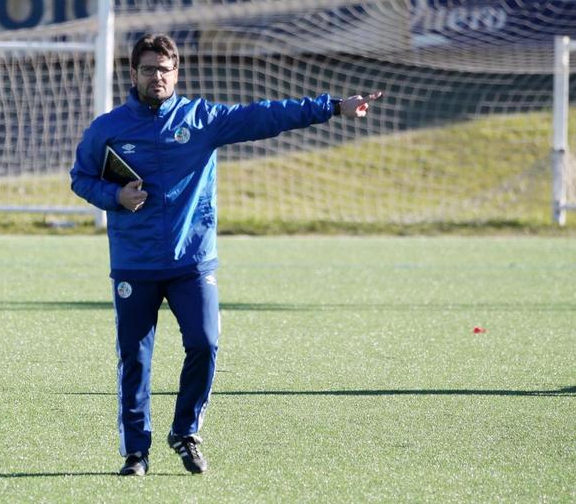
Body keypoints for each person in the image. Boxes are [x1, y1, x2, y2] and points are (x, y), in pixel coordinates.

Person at [70, 33, 381, 476]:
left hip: (191, 262)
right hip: (134, 264)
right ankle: (136, 453)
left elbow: (266, 116)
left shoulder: (202, 119)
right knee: (135, 360)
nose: (156, 76)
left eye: (164, 69)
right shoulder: (108, 128)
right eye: (147, 69)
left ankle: (185, 431)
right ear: (133, 74)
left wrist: (332, 106)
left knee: (205, 343)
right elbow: (80, 178)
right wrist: (115, 195)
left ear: (176, 73)